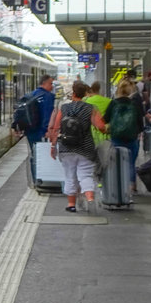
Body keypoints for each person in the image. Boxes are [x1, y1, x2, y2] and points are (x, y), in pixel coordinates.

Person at [48, 80, 107, 212]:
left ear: (73, 93)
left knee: (70, 176)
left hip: (65, 147)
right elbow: (101, 126)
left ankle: (71, 205)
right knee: (85, 175)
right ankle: (90, 199)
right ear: (85, 93)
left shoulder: (64, 108)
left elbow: (56, 128)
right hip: (85, 148)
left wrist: (53, 146)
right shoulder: (90, 108)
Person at [105, 79, 146, 194]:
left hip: (116, 136)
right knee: (131, 162)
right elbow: (140, 121)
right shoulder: (134, 104)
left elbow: (106, 118)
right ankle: (131, 186)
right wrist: (140, 132)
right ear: (130, 91)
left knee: (117, 160)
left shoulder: (113, 103)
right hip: (132, 136)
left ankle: (118, 185)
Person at [22, 74, 55, 183]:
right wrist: (47, 131)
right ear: (44, 83)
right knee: (42, 155)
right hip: (40, 132)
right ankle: (41, 179)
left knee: (34, 154)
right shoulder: (48, 96)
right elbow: (47, 115)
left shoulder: (32, 94)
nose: (52, 86)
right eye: (51, 83)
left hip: (30, 131)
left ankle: (36, 179)